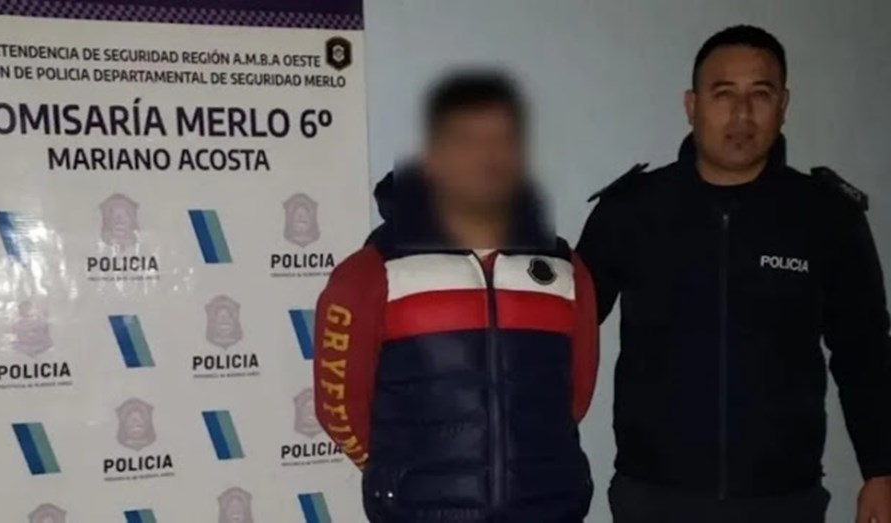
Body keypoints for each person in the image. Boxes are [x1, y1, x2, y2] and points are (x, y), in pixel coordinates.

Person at [577, 25, 891, 523]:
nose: (742, 114)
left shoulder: (827, 217)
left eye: (760, 95)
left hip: (783, 500)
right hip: (652, 496)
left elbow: (865, 353)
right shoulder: (632, 211)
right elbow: (565, 331)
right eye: (723, 94)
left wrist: (881, 470)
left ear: (783, 104)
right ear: (692, 105)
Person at [314, 71, 599, 523]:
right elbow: (338, 407)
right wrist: (397, 474)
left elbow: (576, 396)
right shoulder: (369, 273)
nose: (486, 157)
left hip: (549, 508)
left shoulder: (566, 268)